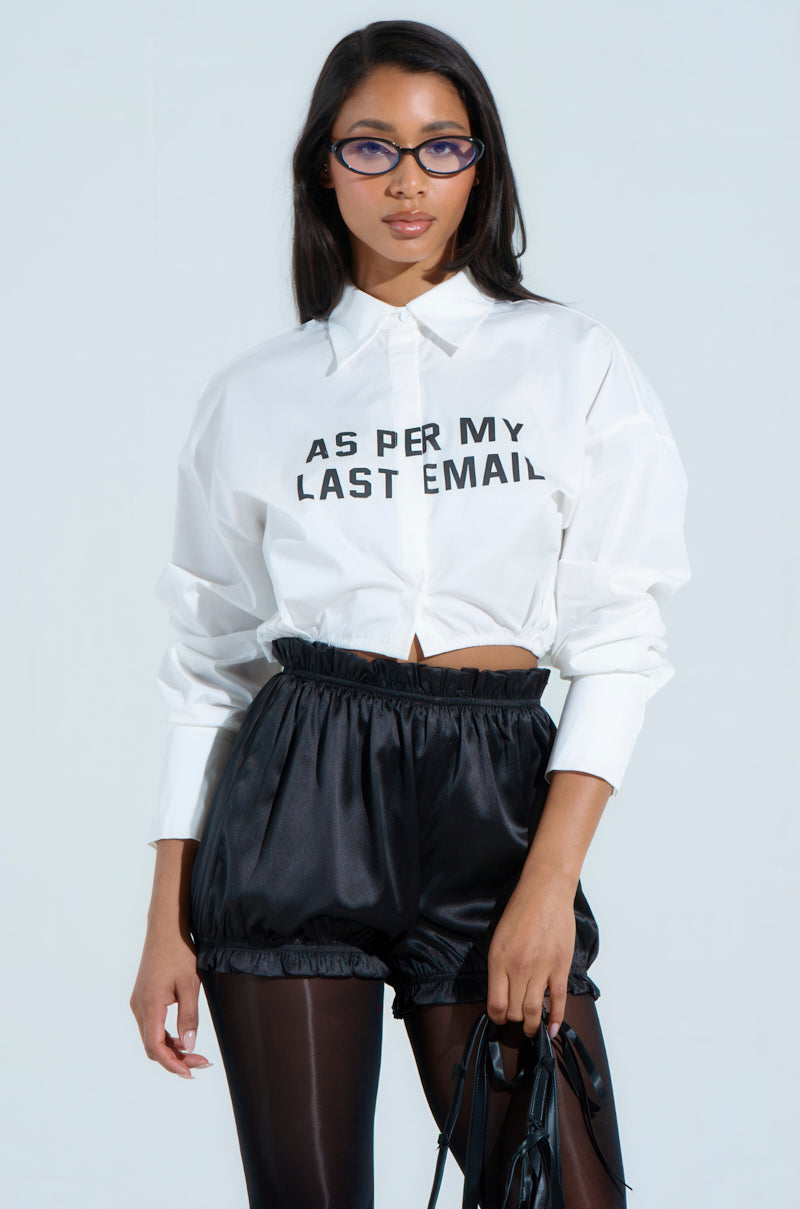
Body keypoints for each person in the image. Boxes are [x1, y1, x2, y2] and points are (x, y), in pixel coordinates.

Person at [130, 19, 690, 1209]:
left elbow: (618, 639)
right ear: (322, 168)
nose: (405, 179)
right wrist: (163, 922)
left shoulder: (568, 359)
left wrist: (546, 884)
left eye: (441, 147)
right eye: (370, 146)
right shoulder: (255, 394)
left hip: (495, 796)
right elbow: (208, 663)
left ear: (479, 168)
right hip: (299, 798)